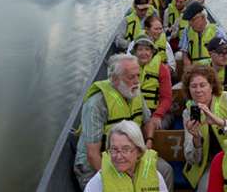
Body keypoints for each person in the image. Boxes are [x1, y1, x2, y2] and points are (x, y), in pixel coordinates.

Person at [74, 54, 174, 190]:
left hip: (130, 154)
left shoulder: (135, 93)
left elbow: (148, 122)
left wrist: (149, 140)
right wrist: (115, 180)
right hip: (98, 160)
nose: (137, 81)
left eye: (138, 75)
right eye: (131, 77)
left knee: (165, 170)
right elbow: (92, 154)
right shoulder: (96, 105)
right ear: (114, 79)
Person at [182, 65, 227, 192]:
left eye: (202, 85)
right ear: (189, 89)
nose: (198, 90)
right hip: (209, 164)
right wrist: (196, 140)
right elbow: (192, 159)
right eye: (193, 86)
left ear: (212, 86)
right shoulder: (188, 112)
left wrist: (220, 123)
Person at [83, 120, 169, 192]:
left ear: (139, 151)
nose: (119, 156)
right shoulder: (98, 182)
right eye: (114, 149)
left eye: (125, 149)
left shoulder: (156, 177)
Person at [128, 35, 174, 129]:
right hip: (136, 112)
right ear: (135, 52)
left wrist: (157, 115)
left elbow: (167, 98)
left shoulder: (162, 69)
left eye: (147, 49)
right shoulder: (129, 69)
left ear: (152, 52)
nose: (143, 53)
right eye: (140, 49)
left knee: (155, 127)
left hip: (158, 112)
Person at [180, 1, 224, 69]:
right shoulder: (187, 31)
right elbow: (184, 52)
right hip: (194, 69)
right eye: (189, 21)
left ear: (203, 17)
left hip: (212, 68)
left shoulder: (217, 31)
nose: (190, 24)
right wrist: (187, 64)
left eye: (193, 20)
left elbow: (222, 55)